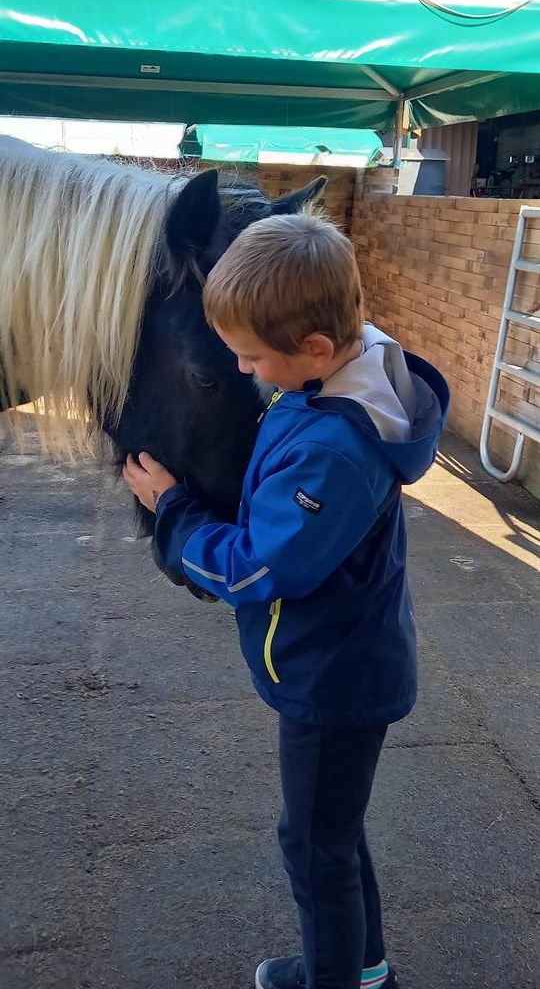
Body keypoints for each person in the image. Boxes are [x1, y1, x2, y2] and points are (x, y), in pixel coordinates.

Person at [123, 209, 449, 989]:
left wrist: (174, 513)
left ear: (313, 349)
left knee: (312, 846)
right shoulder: (339, 371)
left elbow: (260, 569)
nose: (243, 373)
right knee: (335, 835)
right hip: (344, 660)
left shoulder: (336, 453)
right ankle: (364, 971)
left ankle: (334, 980)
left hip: (330, 680)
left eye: (249, 357)